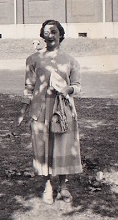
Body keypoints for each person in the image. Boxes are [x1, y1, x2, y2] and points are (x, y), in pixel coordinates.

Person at [17, 20, 82, 204]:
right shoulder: (33, 59)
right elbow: (28, 88)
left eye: (54, 32)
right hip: (41, 109)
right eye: (46, 32)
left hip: (63, 109)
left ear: (60, 35)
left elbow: (77, 86)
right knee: (42, 146)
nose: (50, 35)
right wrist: (22, 112)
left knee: (63, 146)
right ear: (42, 36)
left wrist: (68, 90)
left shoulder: (71, 60)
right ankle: (47, 186)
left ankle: (63, 186)